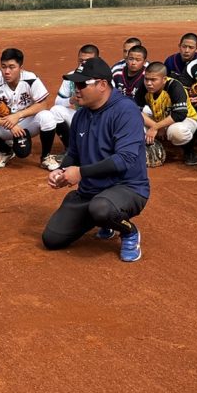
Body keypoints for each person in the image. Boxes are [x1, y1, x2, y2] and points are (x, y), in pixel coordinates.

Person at [41, 56, 149, 262]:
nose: (76, 89)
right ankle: (102, 220)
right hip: (91, 191)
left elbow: (124, 160)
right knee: (52, 239)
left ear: (102, 85)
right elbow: (74, 153)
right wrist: (61, 170)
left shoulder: (125, 111)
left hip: (127, 188)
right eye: (75, 84)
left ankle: (128, 231)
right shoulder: (81, 115)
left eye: (82, 84)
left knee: (102, 208)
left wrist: (81, 172)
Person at [0, 48, 60, 170]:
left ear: (21, 68)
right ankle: (6, 151)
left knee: (47, 117)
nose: (7, 71)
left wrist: (18, 115)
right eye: (3, 67)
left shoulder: (31, 79)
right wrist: (10, 124)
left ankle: (45, 157)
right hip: (6, 126)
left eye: (12, 67)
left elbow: (43, 105)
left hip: (28, 123)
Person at [135, 61, 197, 166]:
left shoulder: (175, 86)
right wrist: (156, 126)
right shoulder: (144, 87)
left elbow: (180, 114)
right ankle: (151, 148)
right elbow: (135, 111)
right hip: (159, 118)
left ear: (164, 79)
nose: (149, 83)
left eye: (153, 80)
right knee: (135, 125)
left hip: (185, 120)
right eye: (146, 79)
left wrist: (155, 127)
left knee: (176, 132)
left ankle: (189, 149)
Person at [50, 43, 100, 157]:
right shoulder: (71, 76)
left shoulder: (103, 77)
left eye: (88, 61)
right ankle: (70, 148)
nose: (83, 64)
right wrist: (71, 100)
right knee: (55, 111)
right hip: (80, 117)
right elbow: (58, 102)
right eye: (81, 61)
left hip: (99, 120)